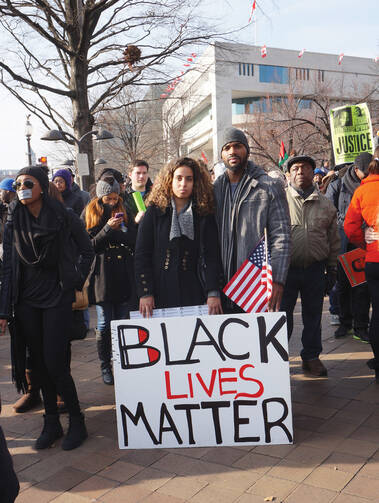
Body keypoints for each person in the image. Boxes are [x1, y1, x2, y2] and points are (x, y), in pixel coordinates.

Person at [0, 166, 94, 450]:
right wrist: (4, 310)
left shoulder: (63, 217)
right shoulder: (13, 222)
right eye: (17, 184)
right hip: (27, 302)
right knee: (39, 365)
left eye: (28, 182)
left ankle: (77, 420)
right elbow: (7, 269)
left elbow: (87, 250)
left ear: (41, 186)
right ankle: (51, 422)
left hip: (57, 300)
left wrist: (75, 279)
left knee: (56, 363)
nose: (22, 187)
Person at [213, 127, 291, 313]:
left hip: (255, 287)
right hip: (221, 286)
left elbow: (282, 237)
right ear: (222, 154)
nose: (232, 151)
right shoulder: (214, 189)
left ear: (246, 150)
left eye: (238, 146)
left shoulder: (268, 186)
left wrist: (278, 279)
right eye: (227, 148)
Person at [134, 157, 223, 317]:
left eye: (189, 179)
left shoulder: (203, 213)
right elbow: (142, 255)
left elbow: (212, 256)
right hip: (160, 290)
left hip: (194, 290)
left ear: (196, 182)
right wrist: (145, 292)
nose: (183, 184)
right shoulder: (155, 212)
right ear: (169, 180)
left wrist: (213, 292)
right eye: (179, 178)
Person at [280, 155, 340, 377]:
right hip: (284, 270)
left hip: (315, 268)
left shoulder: (325, 204)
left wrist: (332, 269)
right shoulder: (279, 200)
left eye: (304, 168)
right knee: (281, 316)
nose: (299, 172)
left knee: (313, 315)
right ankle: (278, 358)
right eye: (295, 168)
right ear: (288, 174)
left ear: (313, 173)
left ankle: (312, 357)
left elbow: (334, 240)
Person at [84, 178, 137, 385]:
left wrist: (122, 230)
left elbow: (133, 239)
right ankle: (105, 364)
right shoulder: (90, 213)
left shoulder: (124, 210)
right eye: (108, 199)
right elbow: (89, 247)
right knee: (105, 323)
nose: (112, 203)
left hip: (123, 273)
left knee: (123, 321)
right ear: (100, 197)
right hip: (102, 276)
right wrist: (107, 228)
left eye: (115, 198)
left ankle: (122, 362)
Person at [326, 152, 372, 342]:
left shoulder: (369, 186)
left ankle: (361, 326)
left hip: (364, 240)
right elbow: (328, 212)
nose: (369, 175)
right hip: (343, 241)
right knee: (343, 284)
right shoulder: (338, 185)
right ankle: (345, 322)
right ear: (355, 170)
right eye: (365, 172)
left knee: (362, 286)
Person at [344, 156, 379, 382]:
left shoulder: (362, 192)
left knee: (377, 313)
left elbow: (349, 226)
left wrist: (364, 244)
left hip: (374, 260)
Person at [124, 159, 153, 224]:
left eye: (144, 173)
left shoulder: (155, 195)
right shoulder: (123, 197)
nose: (141, 176)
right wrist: (135, 222)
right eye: (138, 173)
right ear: (130, 175)